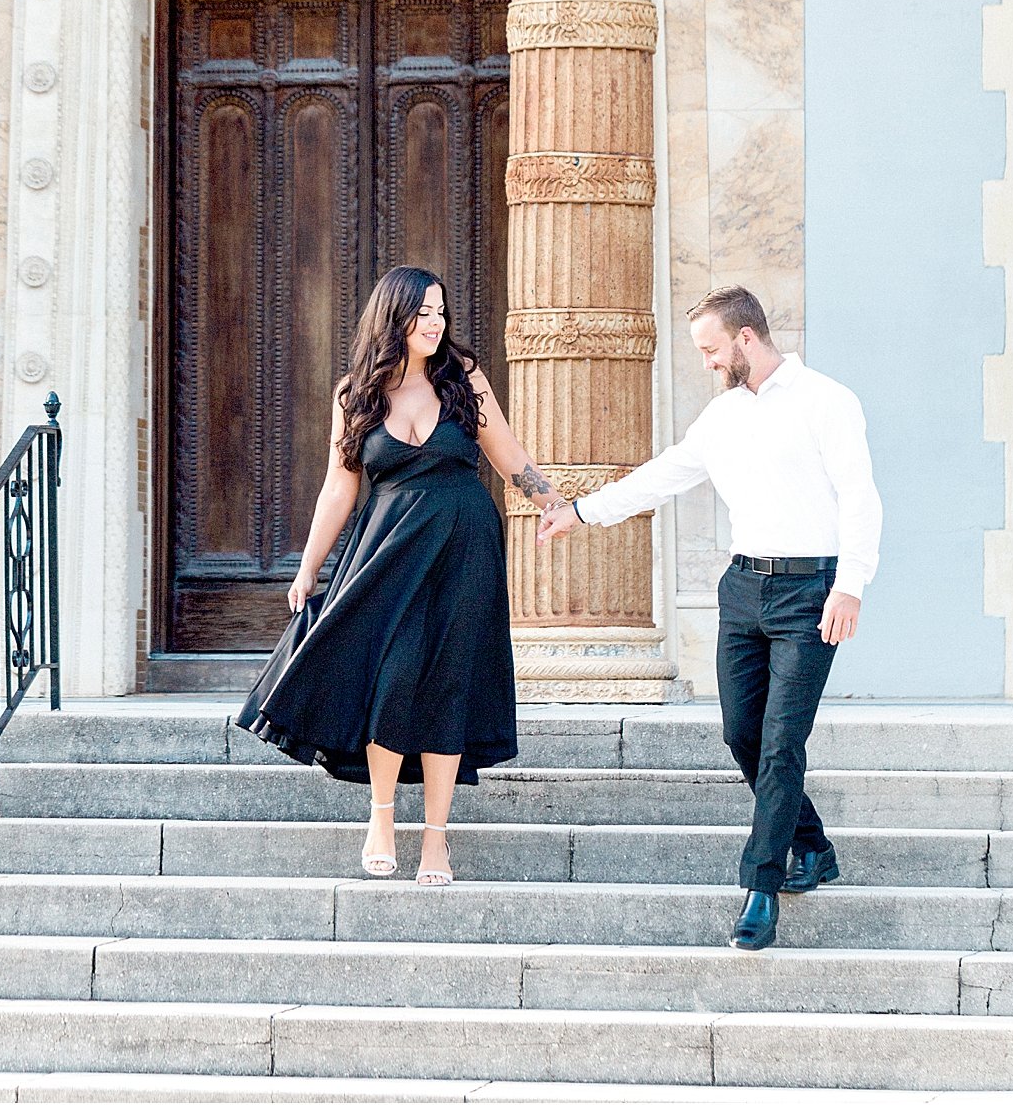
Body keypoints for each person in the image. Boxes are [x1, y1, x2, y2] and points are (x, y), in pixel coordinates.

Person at [538, 284, 881, 950]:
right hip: (743, 589)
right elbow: (661, 476)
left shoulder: (827, 402)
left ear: (746, 339)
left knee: (783, 741)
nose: (706, 363)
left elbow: (860, 497)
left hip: (811, 591)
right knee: (740, 733)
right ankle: (812, 844)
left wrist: (851, 586)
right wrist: (581, 511)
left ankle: (760, 885)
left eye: (710, 349)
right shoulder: (722, 418)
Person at [237, 264, 557, 887]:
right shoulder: (353, 394)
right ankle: (381, 820)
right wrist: (308, 568)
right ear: (394, 317)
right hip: (387, 554)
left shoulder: (464, 378)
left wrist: (558, 504)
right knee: (393, 677)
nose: (438, 323)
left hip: (465, 551)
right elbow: (339, 487)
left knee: (447, 684)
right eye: (425, 312)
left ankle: (435, 841)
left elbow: (509, 456)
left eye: (442, 311)